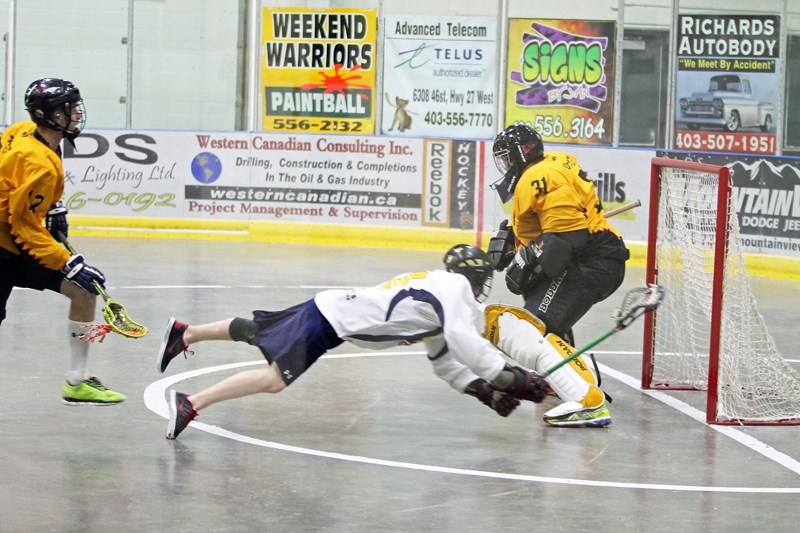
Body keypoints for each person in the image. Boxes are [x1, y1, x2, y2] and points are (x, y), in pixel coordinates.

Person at [157, 244, 550, 440]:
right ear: (476, 277)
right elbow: (463, 341)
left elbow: (446, 360)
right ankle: (191, 403)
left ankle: (185, 332)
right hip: (331, 321)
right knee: (275, 379)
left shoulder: (440, 298)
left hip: (331, 311)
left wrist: (483, 390)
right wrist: (508, 378)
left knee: (259, 330)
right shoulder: (455, 289)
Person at [486, 122, 629, 421]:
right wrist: (516, 239)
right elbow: (556, 223)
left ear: (524, 152)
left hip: (593, 262)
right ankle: (575, 372)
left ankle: (587, 400)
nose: (506, 165)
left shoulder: (540, 176)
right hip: (593, 256)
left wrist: (529, 262)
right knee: (541, 311)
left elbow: (571, 238)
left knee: (536, 326)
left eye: (508, 157)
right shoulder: (552, 164)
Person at [0, 78, 125, 405]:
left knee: (83, 291)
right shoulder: (39, 162)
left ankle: (77, 381)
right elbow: (22, 225)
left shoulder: (23, 130)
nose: (75, 114)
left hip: (14, 242)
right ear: (50, 116)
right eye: (68, 109)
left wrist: (52, 204)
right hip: (5, 243)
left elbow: (16, 186)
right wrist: (67, 261)